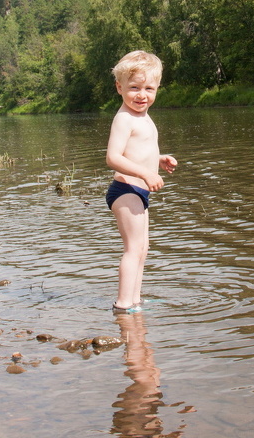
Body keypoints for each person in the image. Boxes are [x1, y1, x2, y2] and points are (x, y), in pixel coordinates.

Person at [105, 50, 177, 314]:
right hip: (126, 190)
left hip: (138, 191)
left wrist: (158, 159)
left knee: (143, 249)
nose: (141, 95)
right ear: (119, 87)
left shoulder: (144, 116)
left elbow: (139, 150)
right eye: (134, 88)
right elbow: (113, 157)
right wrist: (145, 174)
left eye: (149, 88)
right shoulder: (123, 118)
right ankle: (123, 304)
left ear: (157, 88)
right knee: (133, 249)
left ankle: (135, 300)